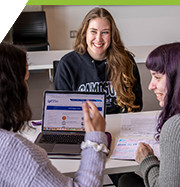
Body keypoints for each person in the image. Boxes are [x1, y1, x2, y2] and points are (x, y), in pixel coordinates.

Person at [0, 42, 108, 187]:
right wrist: (95, 139)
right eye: (25, 80)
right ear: (11, 89)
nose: (27, 87)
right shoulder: (17, 152)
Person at [119, 42, 180, 187]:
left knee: (126, 182)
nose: (150, 86)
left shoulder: (177, 126)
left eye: (157, 77)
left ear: (179, 78)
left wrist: (147, 160)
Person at [54, 7, 143, 114]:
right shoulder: (67, 64)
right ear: (85, 33)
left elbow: (136, 104)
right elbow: (61, 109)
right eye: (93, 31)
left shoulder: (126, 61)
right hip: (83, 126)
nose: (98, 39)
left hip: (121, 125)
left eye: (105, 32)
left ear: (112, 35)